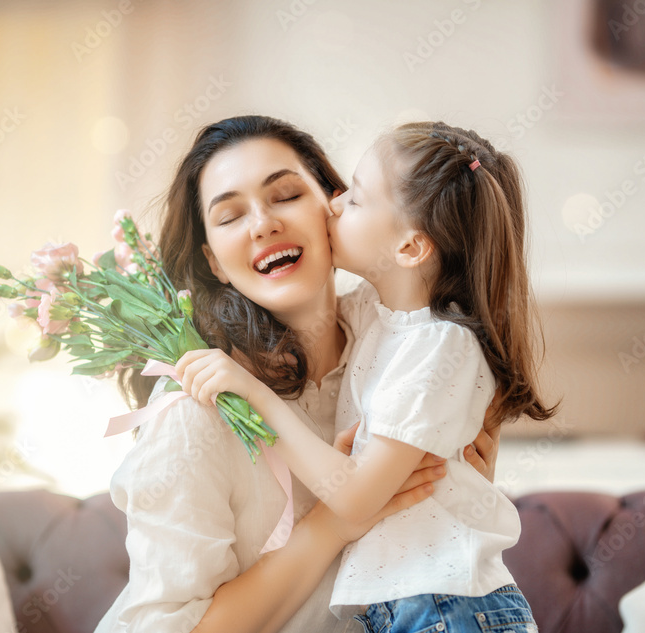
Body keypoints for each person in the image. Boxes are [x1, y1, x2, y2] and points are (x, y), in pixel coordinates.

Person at [95, 116, 500, 633]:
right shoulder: (195, 411)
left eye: (285, 194)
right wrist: (333, 524)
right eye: (230, 216)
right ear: (214, 263)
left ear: (334, 206)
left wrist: (461, 484)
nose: (263, 224)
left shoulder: (411, 350)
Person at [177, 121, 557, 632]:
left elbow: (357, 495)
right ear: (212, 261)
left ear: (409, 248)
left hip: (444, 609)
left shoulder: (437, 343)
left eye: (351, 199)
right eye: (230, 215)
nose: (334, 206)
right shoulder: (376, 320)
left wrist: (256, 396)